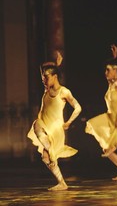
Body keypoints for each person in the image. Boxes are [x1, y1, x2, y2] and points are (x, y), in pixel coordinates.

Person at [27, 52, 82, 191]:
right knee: (46, 158)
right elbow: (46, 70)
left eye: (46, 77)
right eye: (42, 77)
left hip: (55, 129)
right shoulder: (47, 89)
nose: (43, 80)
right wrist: (57, 64)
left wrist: (69, 122)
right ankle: (62, 183)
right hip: (44, 127)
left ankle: (50, 149)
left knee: (36, 125)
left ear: (55, 77)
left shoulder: (64, 92)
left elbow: (78, 107)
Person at [85, 44, 117, 181]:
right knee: (106, 148)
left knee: (110, 148)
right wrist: (114, 57)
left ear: (114, 70)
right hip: (109, 117)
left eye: (107, 70)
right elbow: (112, 64)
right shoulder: (111, 84)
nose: (105, 73)